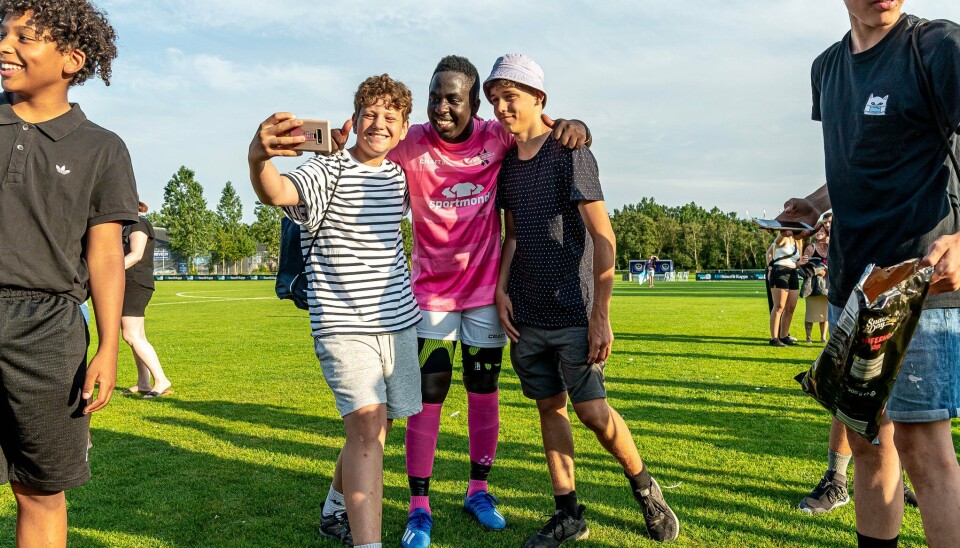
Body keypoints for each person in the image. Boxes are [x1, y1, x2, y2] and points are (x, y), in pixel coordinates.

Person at [320, 55, 590, 548]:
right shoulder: (410, 141)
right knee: (430, 394)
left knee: (483, 388)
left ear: (473, 103)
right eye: (434, 96)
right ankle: (419, 507)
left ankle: (478, 491)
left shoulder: (495, 136)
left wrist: (570, 124)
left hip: (486, 294)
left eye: (453, 98)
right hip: (428, 295)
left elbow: (536, 130)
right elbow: (369, 149)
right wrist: (340, 146)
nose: (442, 107)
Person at [779, 1, 960, 545]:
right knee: (866, 444)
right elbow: (862, 161)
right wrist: (814, 205)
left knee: (924, 452)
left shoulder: (937, 47)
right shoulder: (827, 67)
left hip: (921, 282)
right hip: (851, 286)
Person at [487, 53, 680, 546]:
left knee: (594, 414)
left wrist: (601, 315)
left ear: (539, 99)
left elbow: (603, 235)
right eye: (494, 99)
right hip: (526, 313)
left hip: (575, 310)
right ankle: (568, 512)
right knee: (549, 409)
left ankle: (644, 487)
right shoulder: (506, 165)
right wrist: (502, 288)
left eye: (510, 96)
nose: (501, 107)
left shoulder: (570, 150)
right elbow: (511, 236)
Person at [247, 74, 423, 548]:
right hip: (344, 326)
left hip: (399, 324)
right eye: (371, 113)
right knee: (367, 429)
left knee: (379, 428)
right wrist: (258, 155)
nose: (379, 123)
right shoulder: (328, 170)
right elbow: (277, 192)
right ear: (354, 118)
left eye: (391, 116)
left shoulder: (400, 176)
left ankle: (333, 508)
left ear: (404, 129)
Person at [0, 1, 139, 545]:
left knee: (40, 490)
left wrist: (108, 346)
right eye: (2, 34)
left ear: (72, 59)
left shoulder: (102, 147)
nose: (5, 46)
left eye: (24, 38)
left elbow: (105, 254)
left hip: (48, 331)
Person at [121, 201, 172, 399]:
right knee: (136, 337)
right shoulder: (126, 225)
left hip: (135, 283)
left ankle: (161, 379)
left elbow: (136, 254)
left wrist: (109, 271)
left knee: (131, 335)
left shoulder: (138, 224)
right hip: (127, 284)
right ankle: (143, 382)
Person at [765, 230, 801, 346]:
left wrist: (802, 262)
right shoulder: (784, 236)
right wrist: (770, 268)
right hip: (780, 270)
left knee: (791, 307)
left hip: (793, 272)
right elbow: (771, 249)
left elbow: (796, 261)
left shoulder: (798, 241)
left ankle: (784, 335)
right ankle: (774, 338)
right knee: (779, 306)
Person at [797, 222, 829, 343]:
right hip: (813, 284)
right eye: (818, 231)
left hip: (826, 284)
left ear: (826, 233)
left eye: (822, 231)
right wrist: (817, 271)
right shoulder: (810, 247)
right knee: (811, 312)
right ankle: (808, 337)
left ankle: (823, 337)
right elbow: (804, 266)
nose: (820, 233)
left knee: (824, 314)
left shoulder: (829, 247)